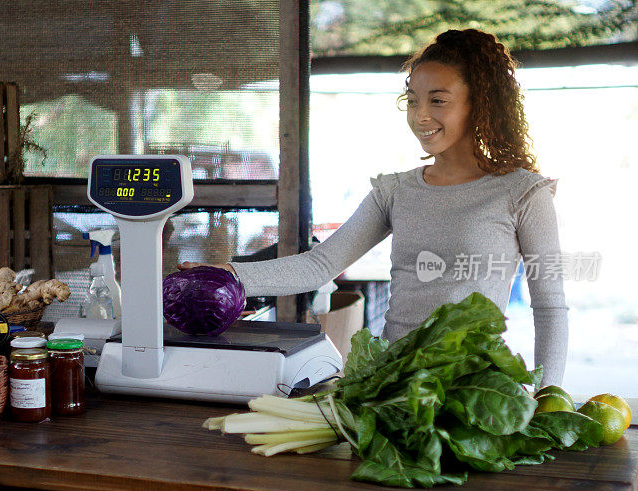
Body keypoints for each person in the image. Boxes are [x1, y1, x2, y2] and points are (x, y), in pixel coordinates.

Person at [179, 29, 568, 386]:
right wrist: (229, 273)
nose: (421, 116)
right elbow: (319, 264)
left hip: (475, 391)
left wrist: (549, 398)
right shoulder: (396, 190)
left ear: (480, 104)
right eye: (413, 101)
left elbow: (549, 309)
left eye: (438, 101)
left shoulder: (522, 193)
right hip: (391, 384)